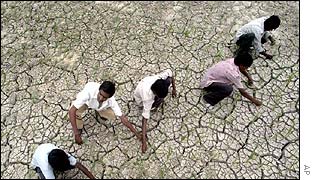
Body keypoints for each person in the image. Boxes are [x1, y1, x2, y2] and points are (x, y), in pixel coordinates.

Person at [69, 81, 141, 145]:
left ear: (110, 97)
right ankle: (79, 127)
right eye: (100, 94)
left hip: (100, 107)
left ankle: (101, 114)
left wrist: (137, 134)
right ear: (99, 90)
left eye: (104, 97)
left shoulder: (111, 101)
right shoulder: (87, 93)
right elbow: (71, 111)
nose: (101, 98)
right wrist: (76, 133)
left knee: (112, 115)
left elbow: (123, 119)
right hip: (87, 103)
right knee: (76, 113)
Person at [134, 69, 177, 153]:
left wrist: (174, 89)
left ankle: (159, 99)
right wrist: (144, 141)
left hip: (145, 83)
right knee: (159, 101)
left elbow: (171, 76)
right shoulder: (147, 97)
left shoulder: (160, 78)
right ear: (155, 93)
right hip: (140, 100)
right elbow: (144, 118)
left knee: (168, 80)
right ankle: (155, 105)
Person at [31, 143, 95, 179]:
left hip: (44, 148)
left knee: (72, 165)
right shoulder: (45, 167)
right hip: (37, 166)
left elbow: (80, 165)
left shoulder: (60, 153)